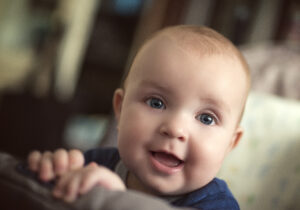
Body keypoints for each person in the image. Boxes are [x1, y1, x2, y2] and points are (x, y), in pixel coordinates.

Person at [27, 25, 250, 209]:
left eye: (206, 118)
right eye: (156, 103)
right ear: (120, 109)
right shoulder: (96, 163)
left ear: (231, 143)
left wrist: (117, 201)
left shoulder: (219, 205)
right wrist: (53, 173)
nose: (175, 129)